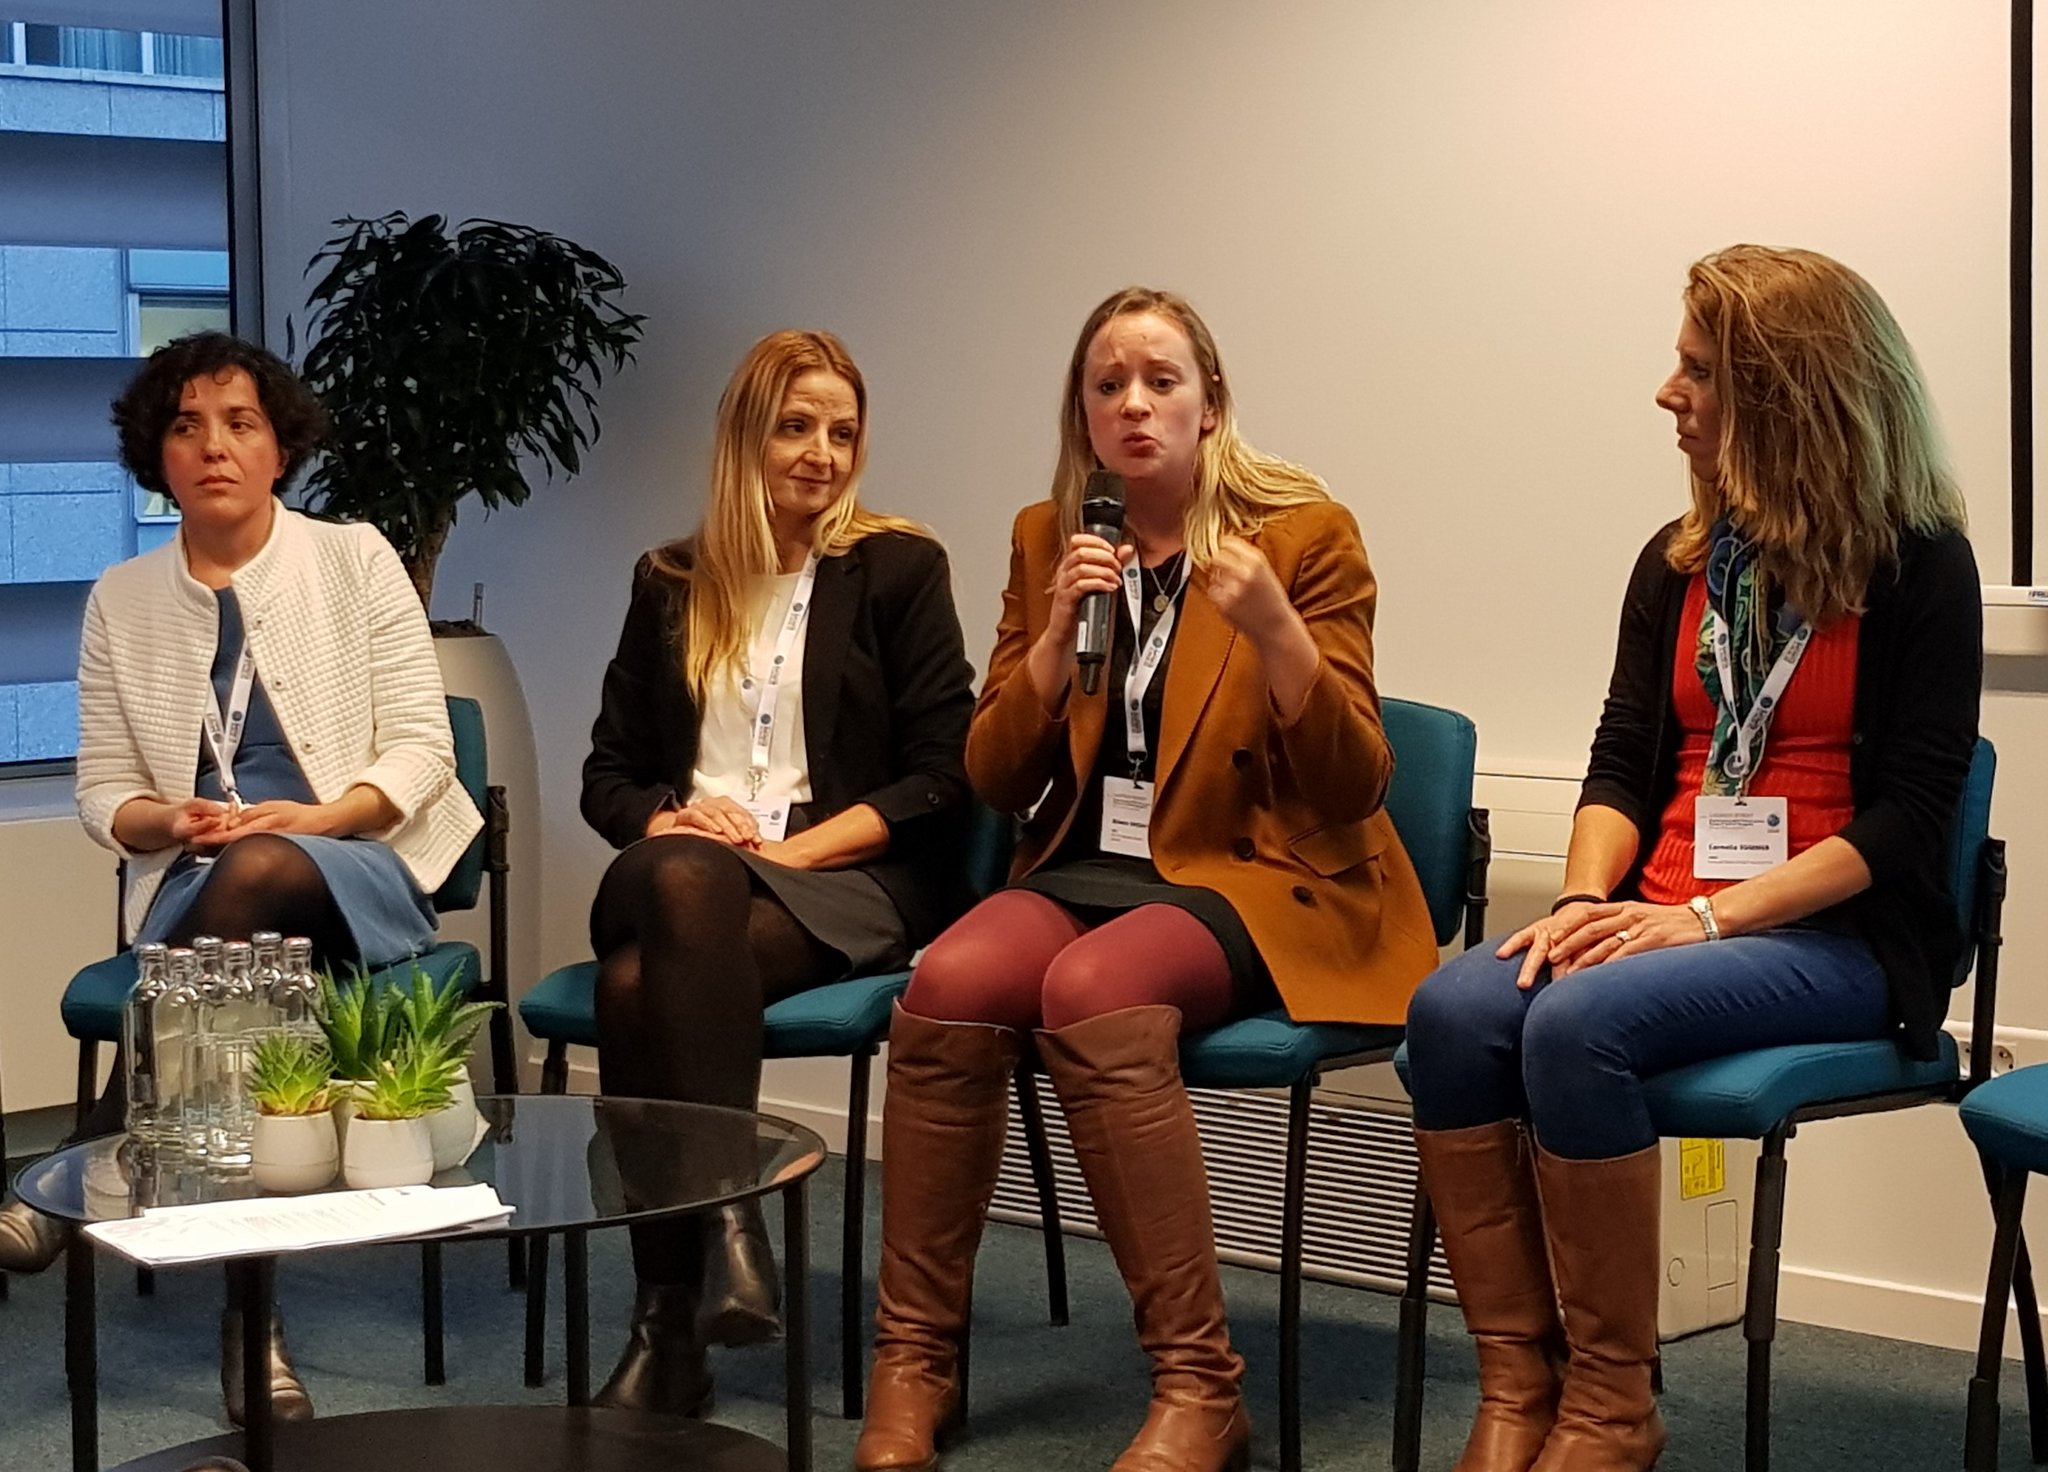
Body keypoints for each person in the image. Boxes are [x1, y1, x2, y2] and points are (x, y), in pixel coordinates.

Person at [1403, 245, 1981, 1472]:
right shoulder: (1676, 562)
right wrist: (1580, 898)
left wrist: (1710, 920)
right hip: (1659, 909)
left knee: (1577, 1023)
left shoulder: (1920, 566)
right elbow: (1621, 759)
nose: (1667, 393)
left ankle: (1612, 1405)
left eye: (1698, 370)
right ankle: (1517, 1382)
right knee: (1453, 1010)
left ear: (1786, 395)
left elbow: (1908, 816)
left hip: (1831, 936)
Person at [854, 287, 1440, 1472]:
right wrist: (1046, 642)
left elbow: (1353, 783)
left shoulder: (1302, 536)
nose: (1132, 404)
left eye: (1159, 381)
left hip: (1257, 872)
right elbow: (993, 775)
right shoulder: (1049, 535)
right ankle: (914, 1358)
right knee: (947, 981)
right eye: (1106, 383)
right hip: (1092, 860)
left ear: (1208, 404)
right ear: (1080, 411)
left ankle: (1196, 1384)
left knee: (1090, 987)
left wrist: (1276, 630)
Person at [0, 331, 482, 1424]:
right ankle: (248, 1328)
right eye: (186, 425)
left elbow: (421, 748)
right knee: (229, 980)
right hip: (197, 886)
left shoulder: (353, 557)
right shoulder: (121, 596)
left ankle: (101, 1139)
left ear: (280, 449)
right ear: (156, 454)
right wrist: (169, 816)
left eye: (240, 423)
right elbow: (101, 793)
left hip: (354, 868)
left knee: (260, 871)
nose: (213, 445)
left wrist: (322, 815)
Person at [578, 328, 974, 1414]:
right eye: (796, 427)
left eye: (842, 432)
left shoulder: (898, 568)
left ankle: (666, 1330)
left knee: (631, 988)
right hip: (682, 866)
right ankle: (733, 1215)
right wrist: (671, 818)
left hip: (837, 873)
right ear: (744, 438)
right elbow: (607, 774)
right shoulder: (669, 579)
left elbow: (945, 774)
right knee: (685, 878)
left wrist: (796, 848)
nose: (822, 454)